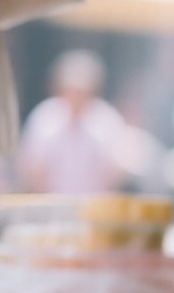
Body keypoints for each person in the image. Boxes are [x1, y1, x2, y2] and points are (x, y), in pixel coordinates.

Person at [17, 50, 128, 195]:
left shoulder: (108, 121)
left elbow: (117, 170)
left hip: (94, 209)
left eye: (81, 91)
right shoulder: (44, 117)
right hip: (52, 206)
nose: (76, 97)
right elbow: (31, 167)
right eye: (71, 90)